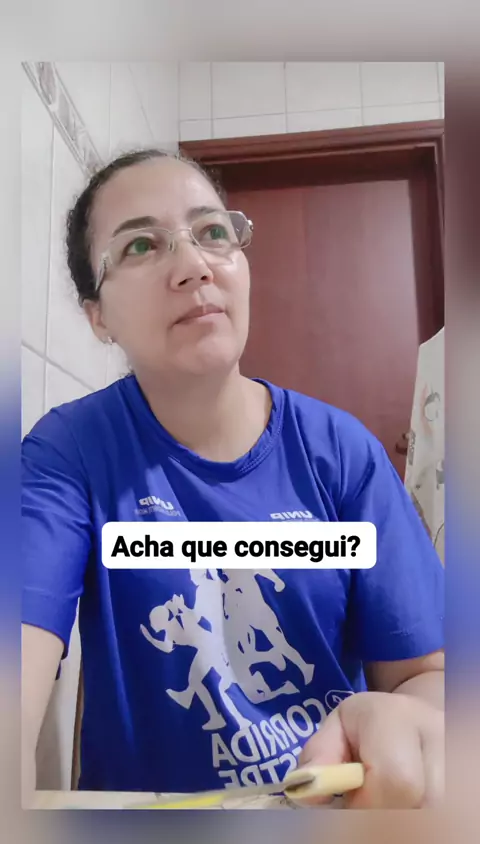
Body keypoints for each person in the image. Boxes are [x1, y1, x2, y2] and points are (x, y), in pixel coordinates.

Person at [22, 148, 444, 808]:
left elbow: (428, 673)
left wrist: (410, 719)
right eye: (140, 246)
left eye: (212, 232)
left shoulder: (341, 454)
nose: (194, 265)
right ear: (97, 315)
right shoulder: (69, 453)